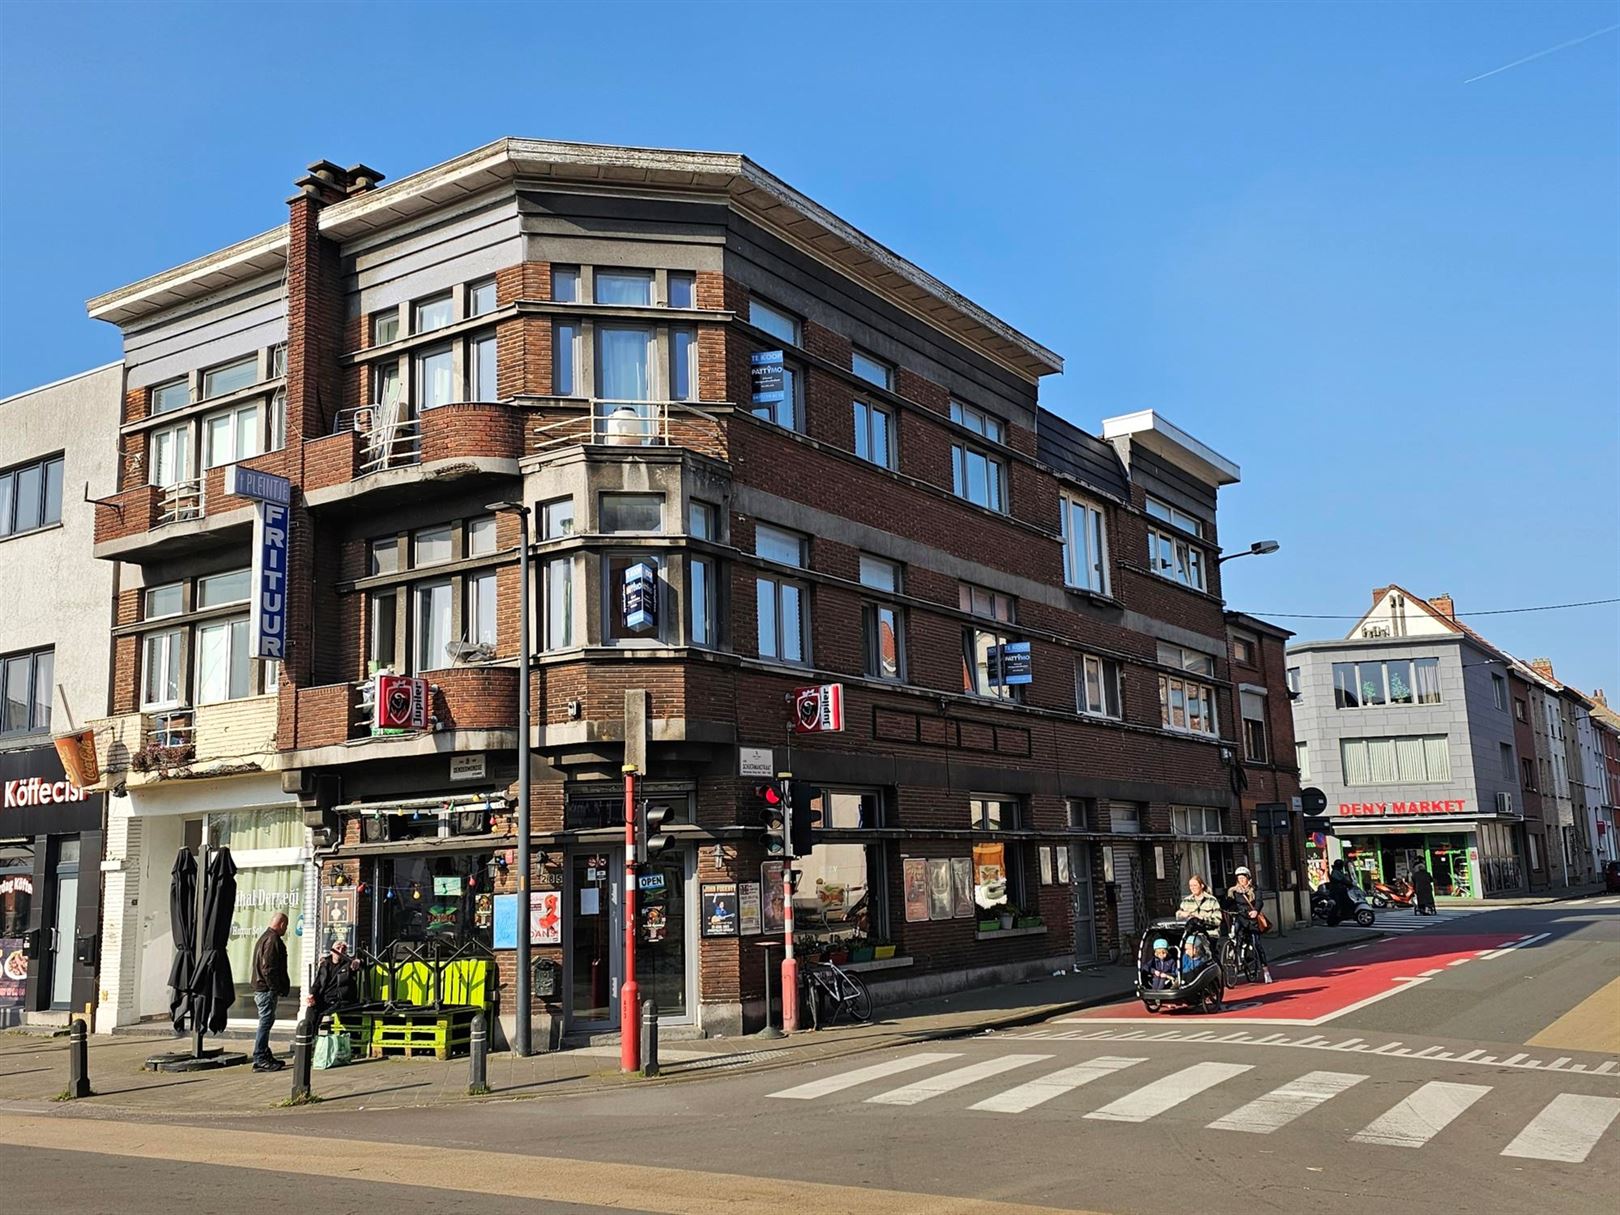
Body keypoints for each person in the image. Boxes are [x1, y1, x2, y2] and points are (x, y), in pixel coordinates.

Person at [250, 912, 290, 1072]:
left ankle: (264, 1053)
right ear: (282, 924)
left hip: (262, 988)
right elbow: (268, 968)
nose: (286, 930)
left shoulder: (265, 937)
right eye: (286, 926)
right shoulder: (272, 940)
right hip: (266, 989)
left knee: (267, 1021)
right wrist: (275, 988)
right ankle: (260, 1057)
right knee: (265, 1022)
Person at [1226, 866, 1272, 982]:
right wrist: (1223, 908)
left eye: (1243, 878)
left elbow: (1259, 902)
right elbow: (1229, 903)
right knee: (1235, 933)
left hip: (1252, 920)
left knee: (1257, 944)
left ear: (1248, 878)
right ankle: (1235, 954)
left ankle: (1265, 971)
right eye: (1239, 878)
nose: (1241, 880)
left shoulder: (1255, 890)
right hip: (1240, 918)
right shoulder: (1234, 891)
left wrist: (1256, 910)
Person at [305, 938, 363, 1025]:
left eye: (344, 949)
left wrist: (358, 961)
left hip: (340, 1000)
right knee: (311, 1010)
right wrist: (311, 995)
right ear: (332, 951)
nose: (340, 951)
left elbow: (360, 963)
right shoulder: (325, 964)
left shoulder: (349, 964)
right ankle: (309, 1032)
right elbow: (317, 983)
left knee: (322, 1014)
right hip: (324, 999)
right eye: (338, 948)